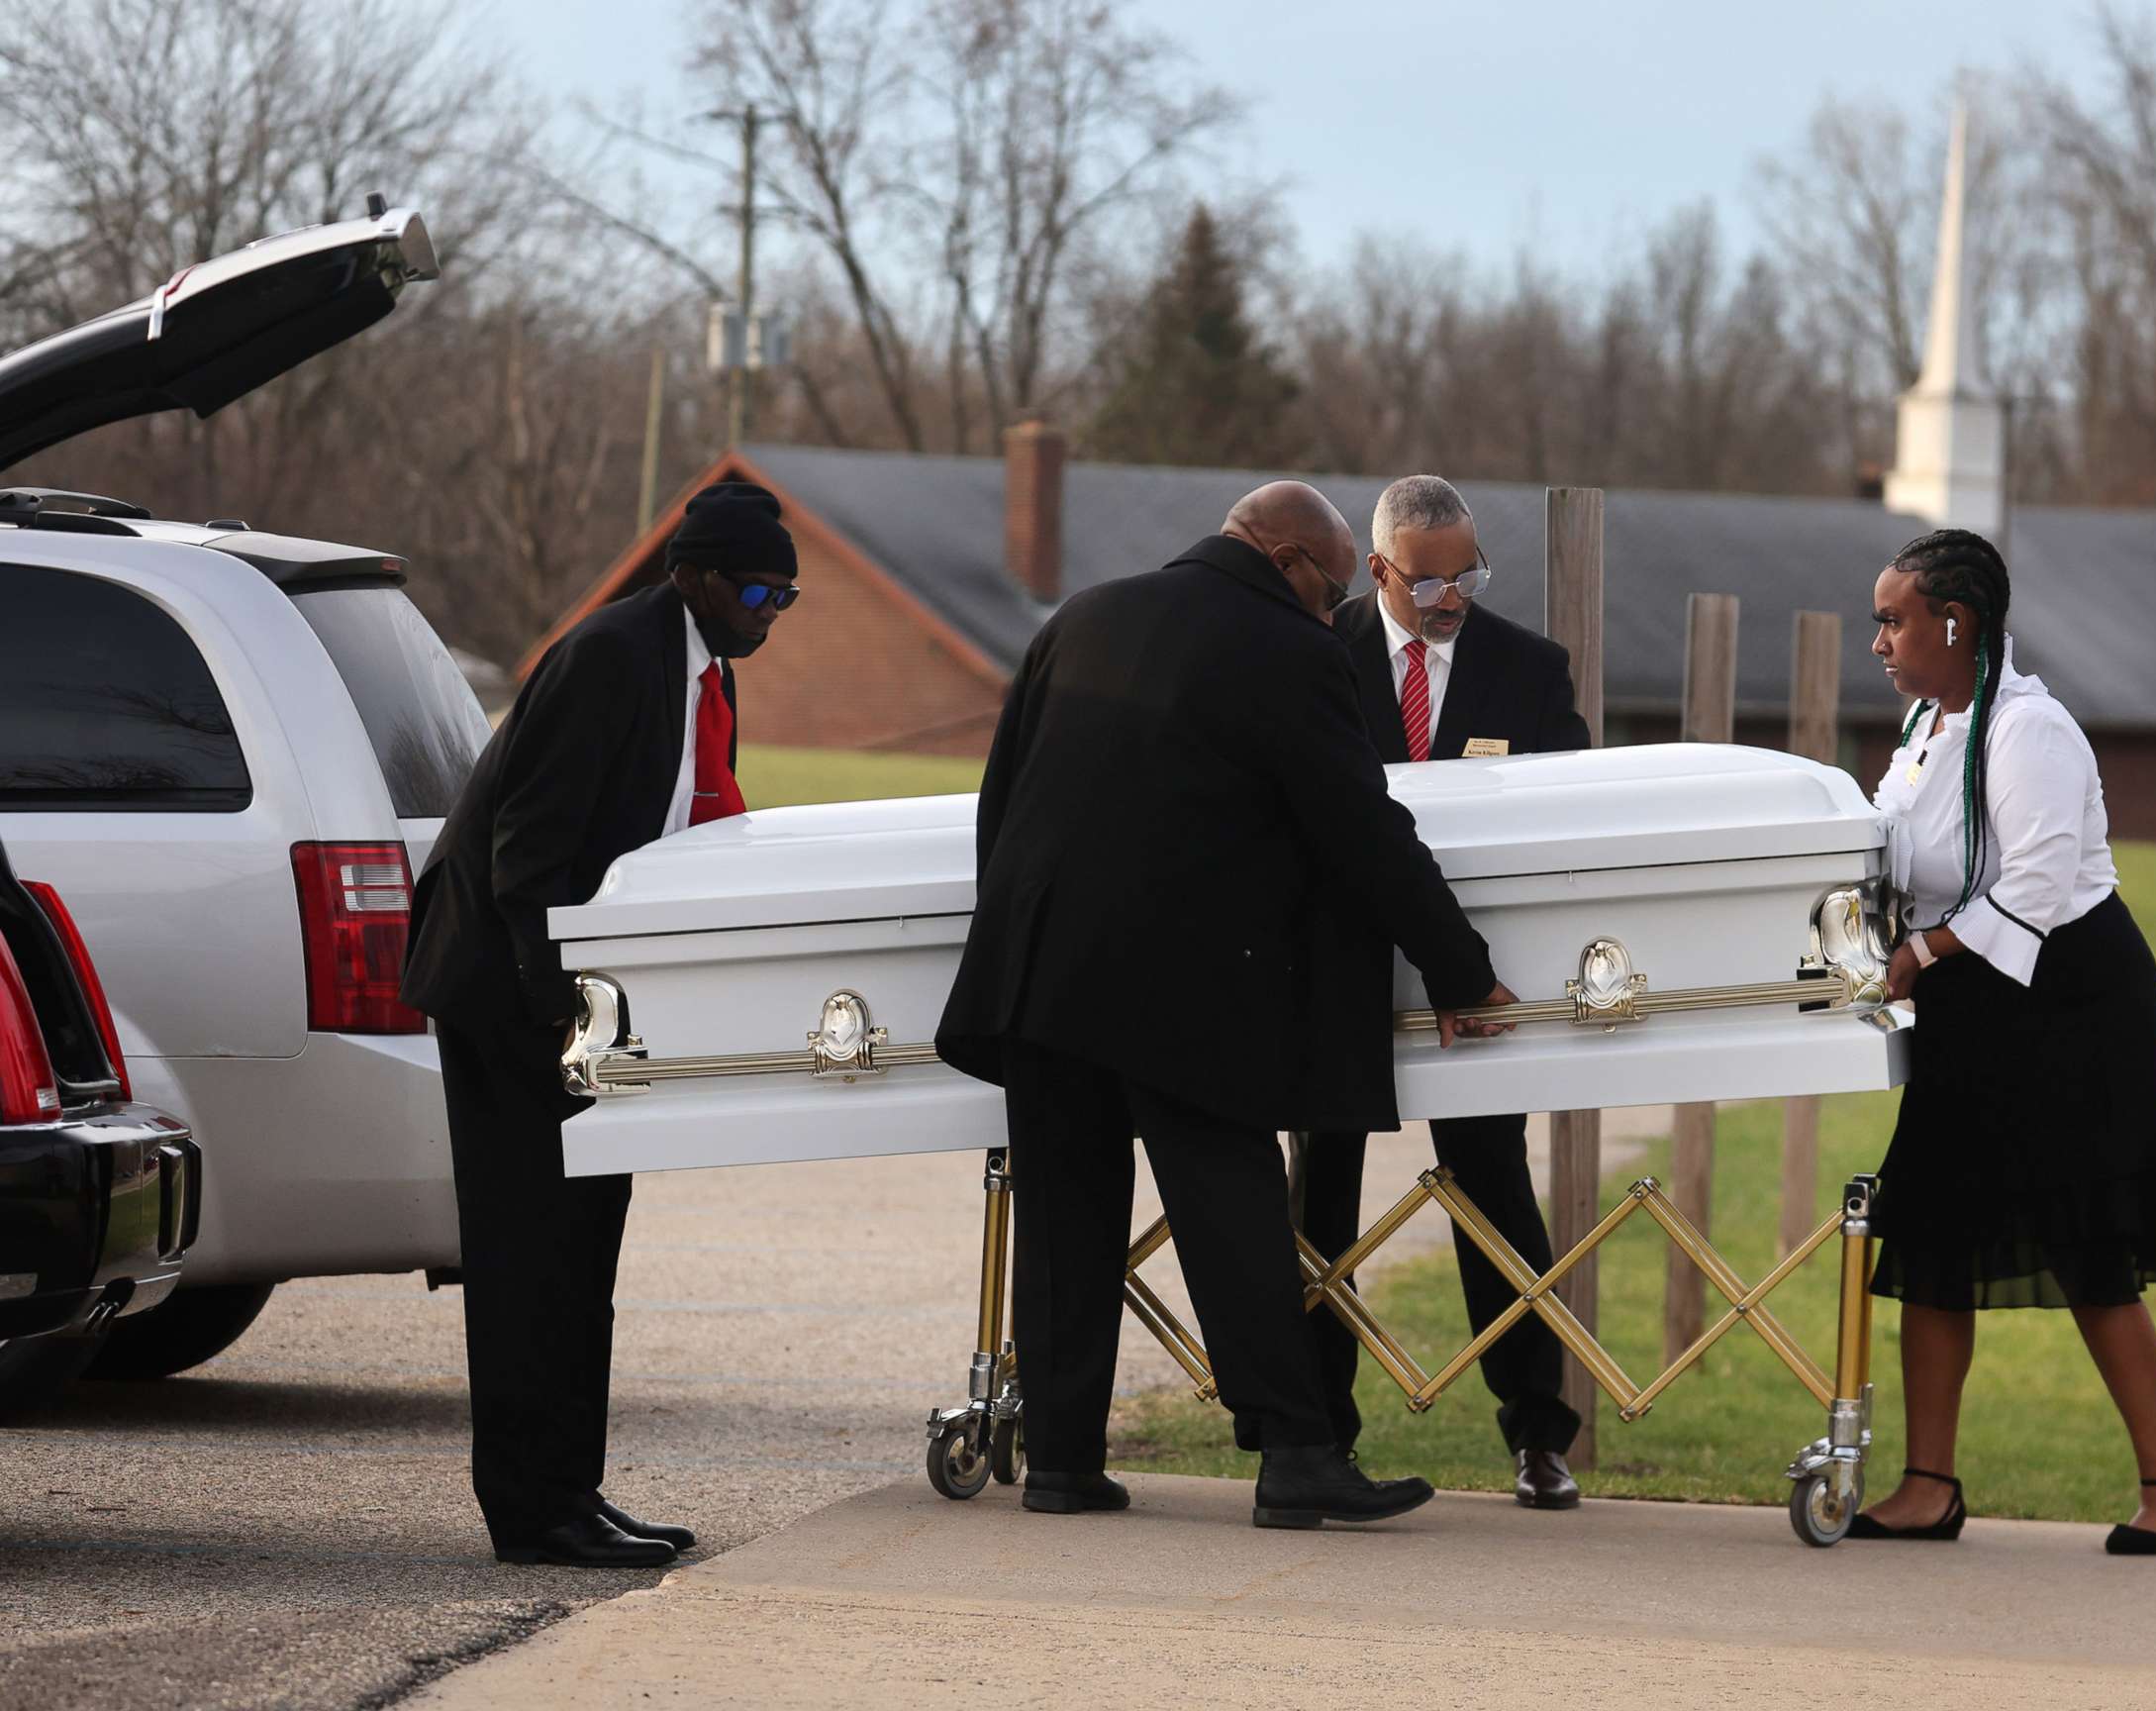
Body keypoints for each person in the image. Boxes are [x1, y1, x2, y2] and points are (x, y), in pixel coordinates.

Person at [936, 481, 1519, 1531]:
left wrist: (1019, 943)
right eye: (1329, 592)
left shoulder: (1082, 617)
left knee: (1065, 1221)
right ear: (1290, 562)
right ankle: (1296, 1452)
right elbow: (1359, 826)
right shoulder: (1284, 649)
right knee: (1232, 1214)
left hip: (1041, 971)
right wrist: (1461, 968)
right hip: (1183, 984)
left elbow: (1001, 799)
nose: (1328, 615)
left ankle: (1065, 1461)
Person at [401, 482, 802, 1566]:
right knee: (531, 1256)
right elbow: (524, 852)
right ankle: (531, 1513)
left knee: (585, 1255)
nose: (773, 611)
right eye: (762, 589)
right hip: (507, 990)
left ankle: (572, 1491)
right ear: (699, 577)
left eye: (788, 596)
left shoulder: (700, 669)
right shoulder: (613, 658)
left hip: (583, 997)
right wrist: (557, 1020)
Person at [1850, 527, 2156, 1555]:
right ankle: (1928, 1485)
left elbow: (2040, 882)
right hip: (1972, 1000)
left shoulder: (2030, 729)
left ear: (1952, 623)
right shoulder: (1927, 723)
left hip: (2073, 1008)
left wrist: (1920, 953)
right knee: (1928, 1228)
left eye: (1893, 619)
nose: (1879, 640)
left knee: (2091, 1244)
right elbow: (1890, 838)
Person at [1295, 475, 1589, 1510]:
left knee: (1494, 1194)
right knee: (1318, 1200)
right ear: (1376, 571)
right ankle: (1319, 1431)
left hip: (1476, 979)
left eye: (1468, 573)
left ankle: (1538, 1433)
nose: (1451, 596)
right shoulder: (1313, 657)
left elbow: (1571, 821)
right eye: (1428, 581)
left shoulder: (1529, 669)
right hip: (1334, 972)